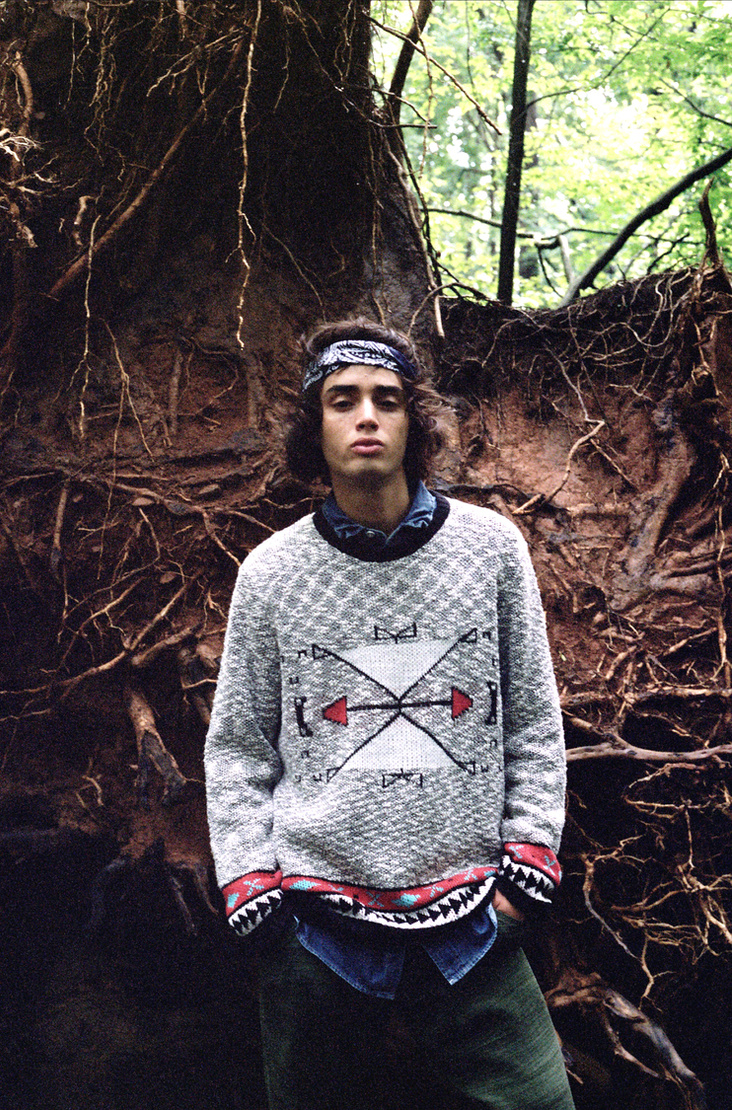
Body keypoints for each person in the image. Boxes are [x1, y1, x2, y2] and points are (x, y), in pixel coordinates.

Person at [203, 318, 575, 1110]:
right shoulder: (271, 575)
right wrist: (254, 890)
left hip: (476, 926)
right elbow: (237, 748)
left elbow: (534, 723)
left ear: (415, 422)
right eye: (343, 400)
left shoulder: (491, 551)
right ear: (316, 427)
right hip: (313, 934)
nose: (366, 416)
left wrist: (525, 873)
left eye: (387, 399)